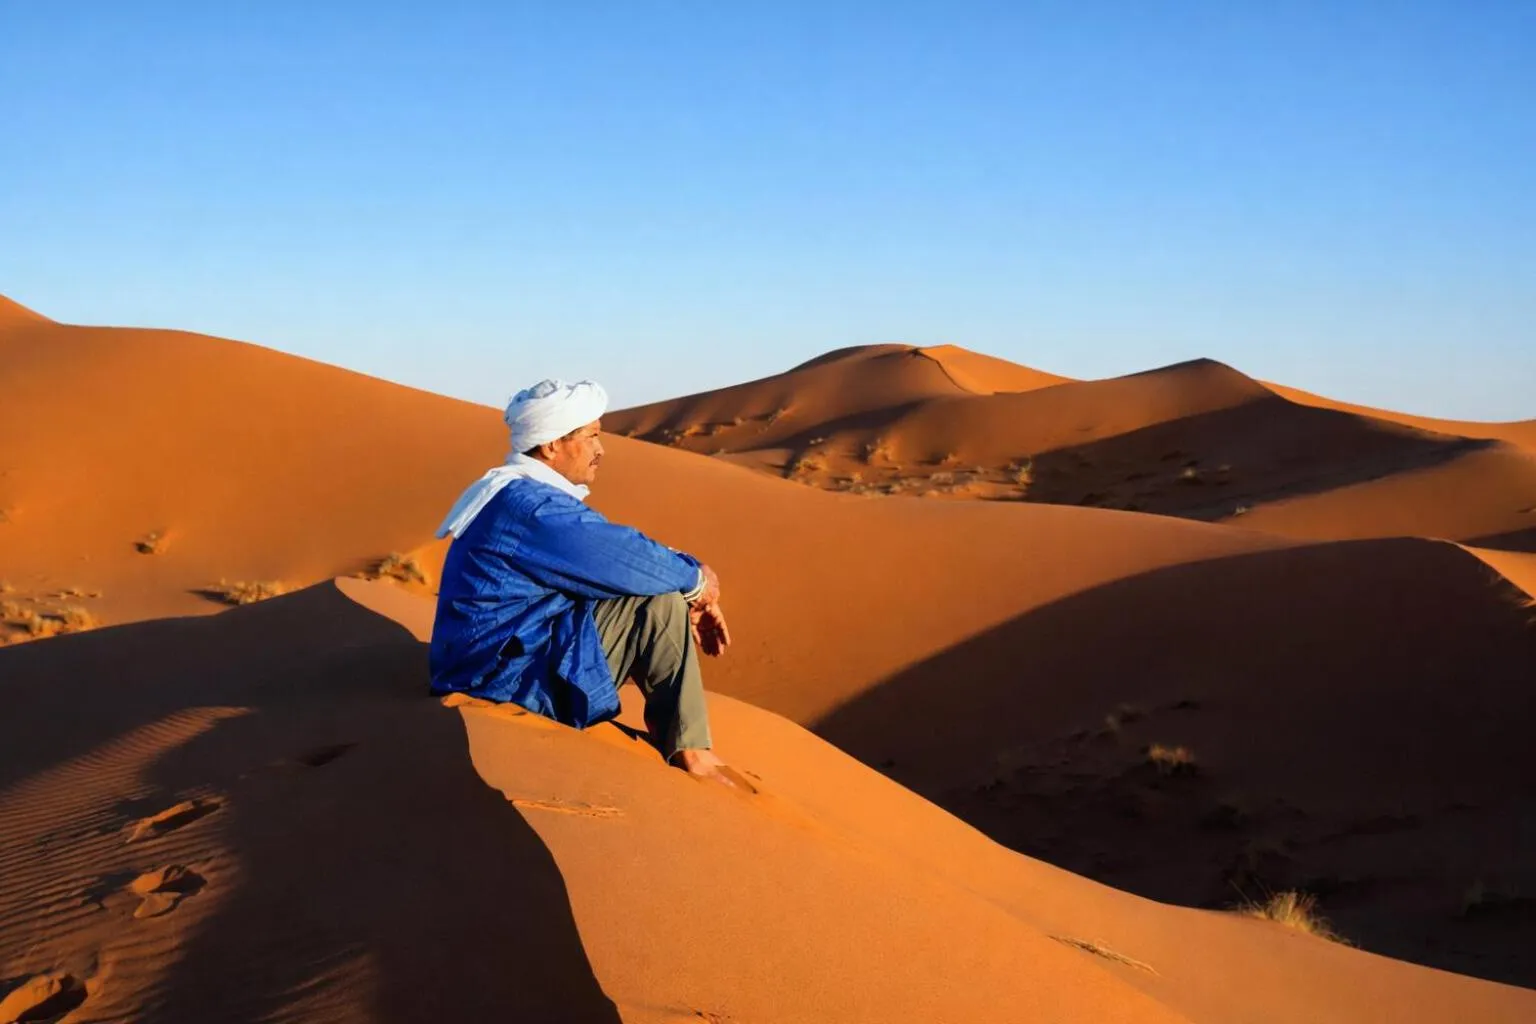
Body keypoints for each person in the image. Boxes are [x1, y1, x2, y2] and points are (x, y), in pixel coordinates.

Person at [429, 378, 740, 787]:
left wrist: (687, 583)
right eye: (592, 436)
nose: (601, 449)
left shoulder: (516, 495)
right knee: (657, 598)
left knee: (648, 588)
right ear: (552, 445)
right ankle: (691, 750)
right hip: (507, 685)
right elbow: (627, 558)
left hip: (495, 666)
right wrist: (697, 581)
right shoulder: (534, 509)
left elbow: (613, 559)